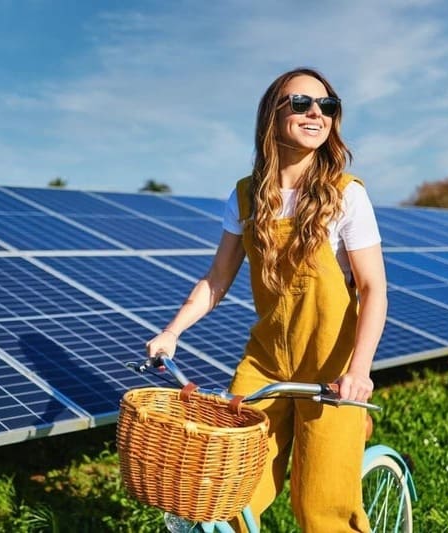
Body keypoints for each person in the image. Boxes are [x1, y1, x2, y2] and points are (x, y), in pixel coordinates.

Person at [145, 67, 387, 532]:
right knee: (229, 493)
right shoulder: (245, 196)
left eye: (327, 107)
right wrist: (171, 333)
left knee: (321, 510)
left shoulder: (347, 196)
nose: (316, 113)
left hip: (330, 371)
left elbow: (374, 288)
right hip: (266, 363)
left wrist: (358, 372)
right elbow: (217, 279)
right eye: (301, 104)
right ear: (272, 116)